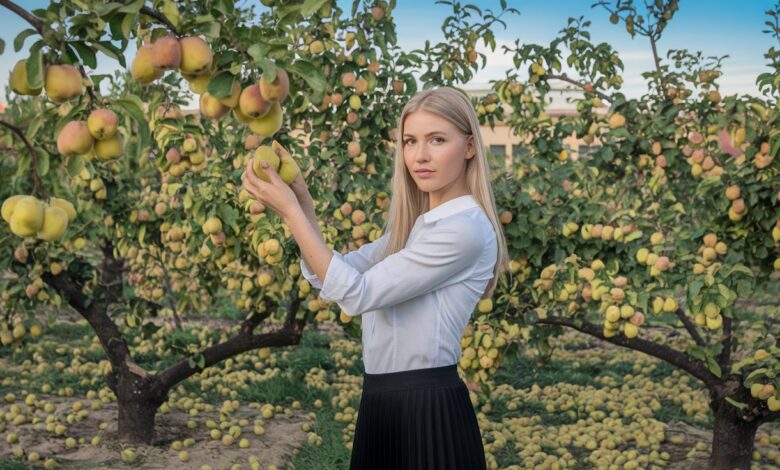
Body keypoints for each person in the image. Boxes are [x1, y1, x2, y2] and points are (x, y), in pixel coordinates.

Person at [241, 86, 510, 470]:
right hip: (382, 400)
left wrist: (290, 215)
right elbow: (334, 273)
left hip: (426, 408)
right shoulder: (417, 228)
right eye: (410, 141)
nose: (420, 155)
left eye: (437, 140)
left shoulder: (462, 231)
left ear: (469, 147)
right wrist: (303, 203)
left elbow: (355, 294)